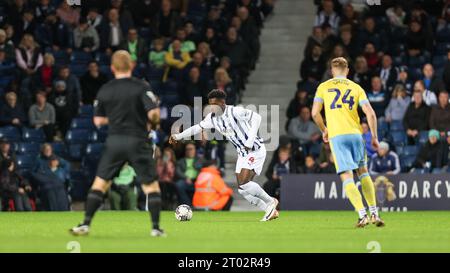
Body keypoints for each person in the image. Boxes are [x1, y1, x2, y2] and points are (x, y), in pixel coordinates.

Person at [70, 51, 164, 237]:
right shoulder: (141, 86)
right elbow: (153, 114)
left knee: (100, 184)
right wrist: (152, 124)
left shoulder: (105, 89)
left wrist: (113, 119)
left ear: (112, 68)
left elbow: (97, 121)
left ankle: (85, 224)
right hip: (138, 140)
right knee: (150, 186)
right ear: (132, 66)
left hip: (115, 142)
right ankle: (155, 228)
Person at [169, 89, 279, 221]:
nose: (211, 107)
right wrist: (178, 135)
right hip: (243, 153)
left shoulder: (235, 111)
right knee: (242, 189)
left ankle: (271, 202)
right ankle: (268, 209)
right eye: (210, 104)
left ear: (222, 103)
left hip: (255, 149)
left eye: (214, 104)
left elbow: (257, 117)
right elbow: (197, 128)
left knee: (244, 183)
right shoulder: (212, 118)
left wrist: (249, 141)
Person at [312, 57, 385, 227]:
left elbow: (315, 113)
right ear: (348, 71)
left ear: (332, 71)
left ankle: (362, 215)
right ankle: (374, 213)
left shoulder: (323, 87)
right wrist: (374, 137)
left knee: (346, 176)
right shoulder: (356, 87)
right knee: (363, 171)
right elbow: (371, 113)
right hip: (356, 134)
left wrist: (324, 130)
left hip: (338, 136)